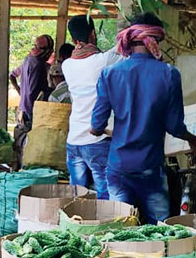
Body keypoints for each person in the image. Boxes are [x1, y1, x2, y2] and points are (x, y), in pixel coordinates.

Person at [90, 13, 196, 223]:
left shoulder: (109, 74)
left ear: (130, 39)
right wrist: (194, 140)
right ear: (155, 41)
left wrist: (101, 129)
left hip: (118, 166)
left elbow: (97, 125)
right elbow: (174, 126)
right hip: (150, 167)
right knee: (159, 228)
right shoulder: (169, 74)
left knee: (120, 227)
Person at [61, 15, 124, 200]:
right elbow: (125, 47)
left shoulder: (67, 65)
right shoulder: (104, 60)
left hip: (73, 140)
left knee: (77, 197)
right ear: (94, 34)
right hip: (97, 138)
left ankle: (74, 227)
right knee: (104, 194)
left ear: (73, 40)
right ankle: (102, 229)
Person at [10, 34, 54, 163]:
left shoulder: (27, 60)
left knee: (22, 142)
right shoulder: (39, 65)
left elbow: (12, 76)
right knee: (31, 144)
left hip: (23, 108)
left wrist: (20, 92)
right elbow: (33, 92)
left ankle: (20, 164)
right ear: (46, 50)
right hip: (32, 110)